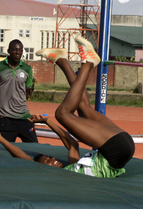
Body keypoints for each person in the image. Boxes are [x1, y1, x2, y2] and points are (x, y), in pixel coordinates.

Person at [0, 37, 135, 178]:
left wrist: (48, 122)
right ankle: (88, 64)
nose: (53, 159)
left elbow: (73, 145)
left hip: (119, 146)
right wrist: (3, 140)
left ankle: (61, 61)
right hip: (116, 151)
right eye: (47, 161)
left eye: (50, 157)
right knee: (62, 114)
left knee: (84, 109)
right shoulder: (66, 175)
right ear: (43, 168)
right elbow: (24, 157)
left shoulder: (72, 166)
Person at [0, 39, 38, 142]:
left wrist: (32, 86)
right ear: (8, 50)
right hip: (5, 118)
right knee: (4, 152)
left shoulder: (27, 69)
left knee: (36, 148)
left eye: (20, 50)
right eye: (14, 50)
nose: (18, 52)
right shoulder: (1, 67)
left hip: (23, 116)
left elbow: (27, 94)